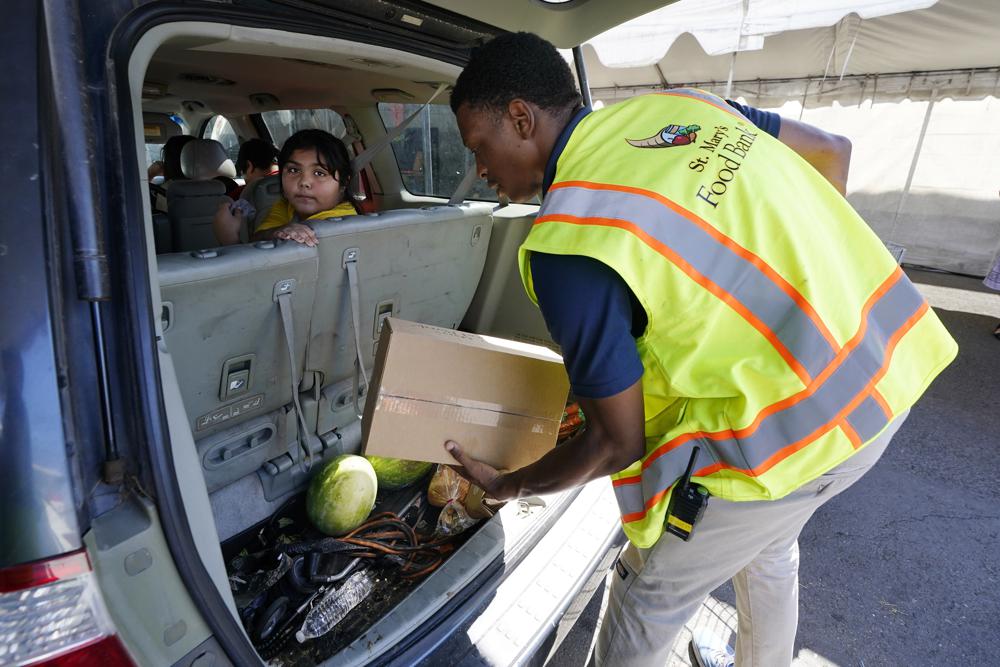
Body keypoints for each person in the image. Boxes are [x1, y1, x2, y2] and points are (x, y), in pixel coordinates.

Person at [443, 32, 958, 667]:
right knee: (769, 549)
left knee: (646, 594)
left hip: (788, 437)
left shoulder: (569, 238)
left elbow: (616, 443)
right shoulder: (683, 107)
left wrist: (512, 485)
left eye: (479, 148)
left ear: (521, 118)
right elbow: (831, 151)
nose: (480, 170)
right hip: (887, 377)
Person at [213, 129, 356, 246]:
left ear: (343, 183)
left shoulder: (342, 225)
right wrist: (279, 231)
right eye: (294, 170)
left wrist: (230, 240)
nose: (304, 182)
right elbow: (259, 237)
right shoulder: (285, 206)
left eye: (320, 173)